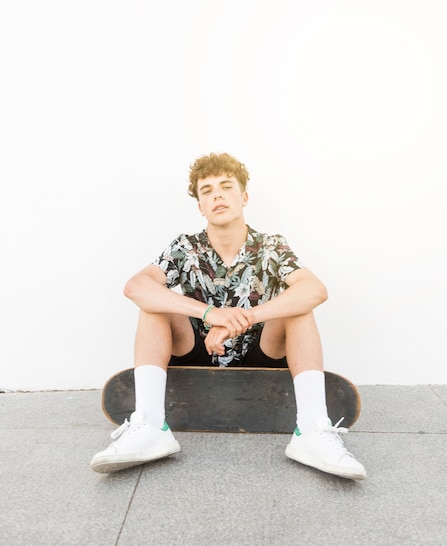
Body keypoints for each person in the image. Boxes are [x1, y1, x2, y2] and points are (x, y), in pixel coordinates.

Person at [90, 152, 366, 480]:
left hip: (261, 352)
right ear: (200, 206)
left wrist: (244, 319)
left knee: (298, 307)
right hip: (196, 349)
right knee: (153, 303)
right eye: (207, 191)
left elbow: (315, 290)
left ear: (244, 197)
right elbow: (136, 286)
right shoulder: (185, 247)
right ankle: (150, 426)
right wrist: (212, 314)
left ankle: (311, 434)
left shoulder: (271, 246)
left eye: (226, 186)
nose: (217, 195)